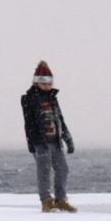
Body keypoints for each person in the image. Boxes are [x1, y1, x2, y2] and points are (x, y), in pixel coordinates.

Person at [21, 60, 76, 212]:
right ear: (37, 83)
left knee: (63, 169)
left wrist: (67, 138)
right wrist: (34, 143)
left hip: (56, 141)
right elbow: (29, 124)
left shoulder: (53, 98)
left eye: (49, 84)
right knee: (44, 171)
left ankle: (61, 199)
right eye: (44, 84)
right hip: (41, 143)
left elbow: (60, 119)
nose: (47, 86)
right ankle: (46, 200)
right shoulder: (29, 99)